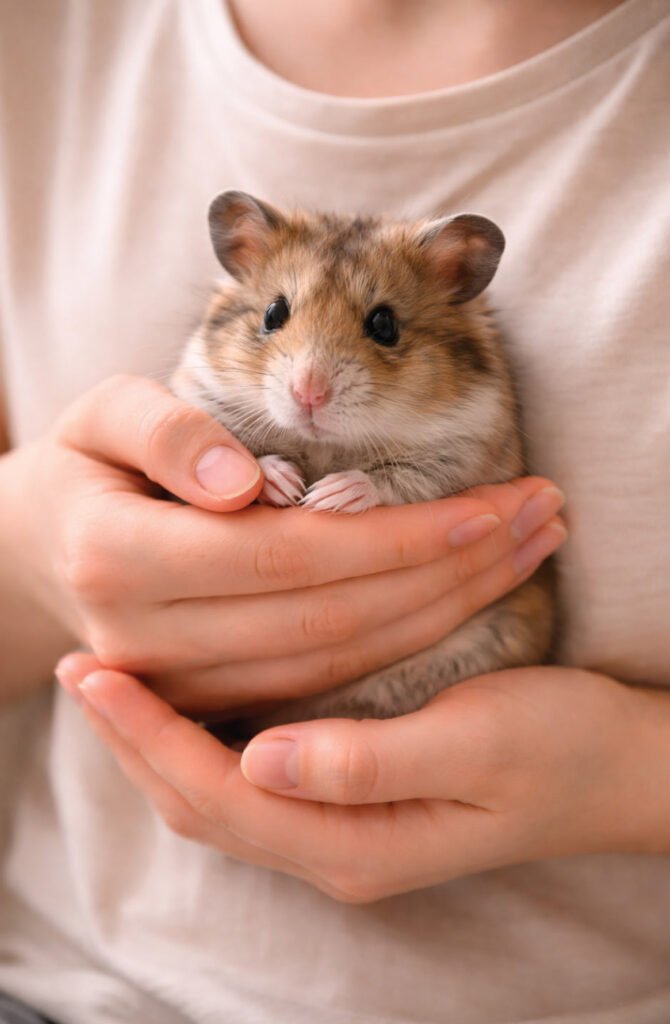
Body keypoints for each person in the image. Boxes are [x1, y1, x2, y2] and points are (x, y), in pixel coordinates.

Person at [0, 1, 668, 1021]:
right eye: (276, 321)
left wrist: (625, 776)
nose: (308, 383)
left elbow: (449, 463)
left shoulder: (465, 406)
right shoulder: (46, 38)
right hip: (61, 977)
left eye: (381, 328)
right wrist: (35, 556)